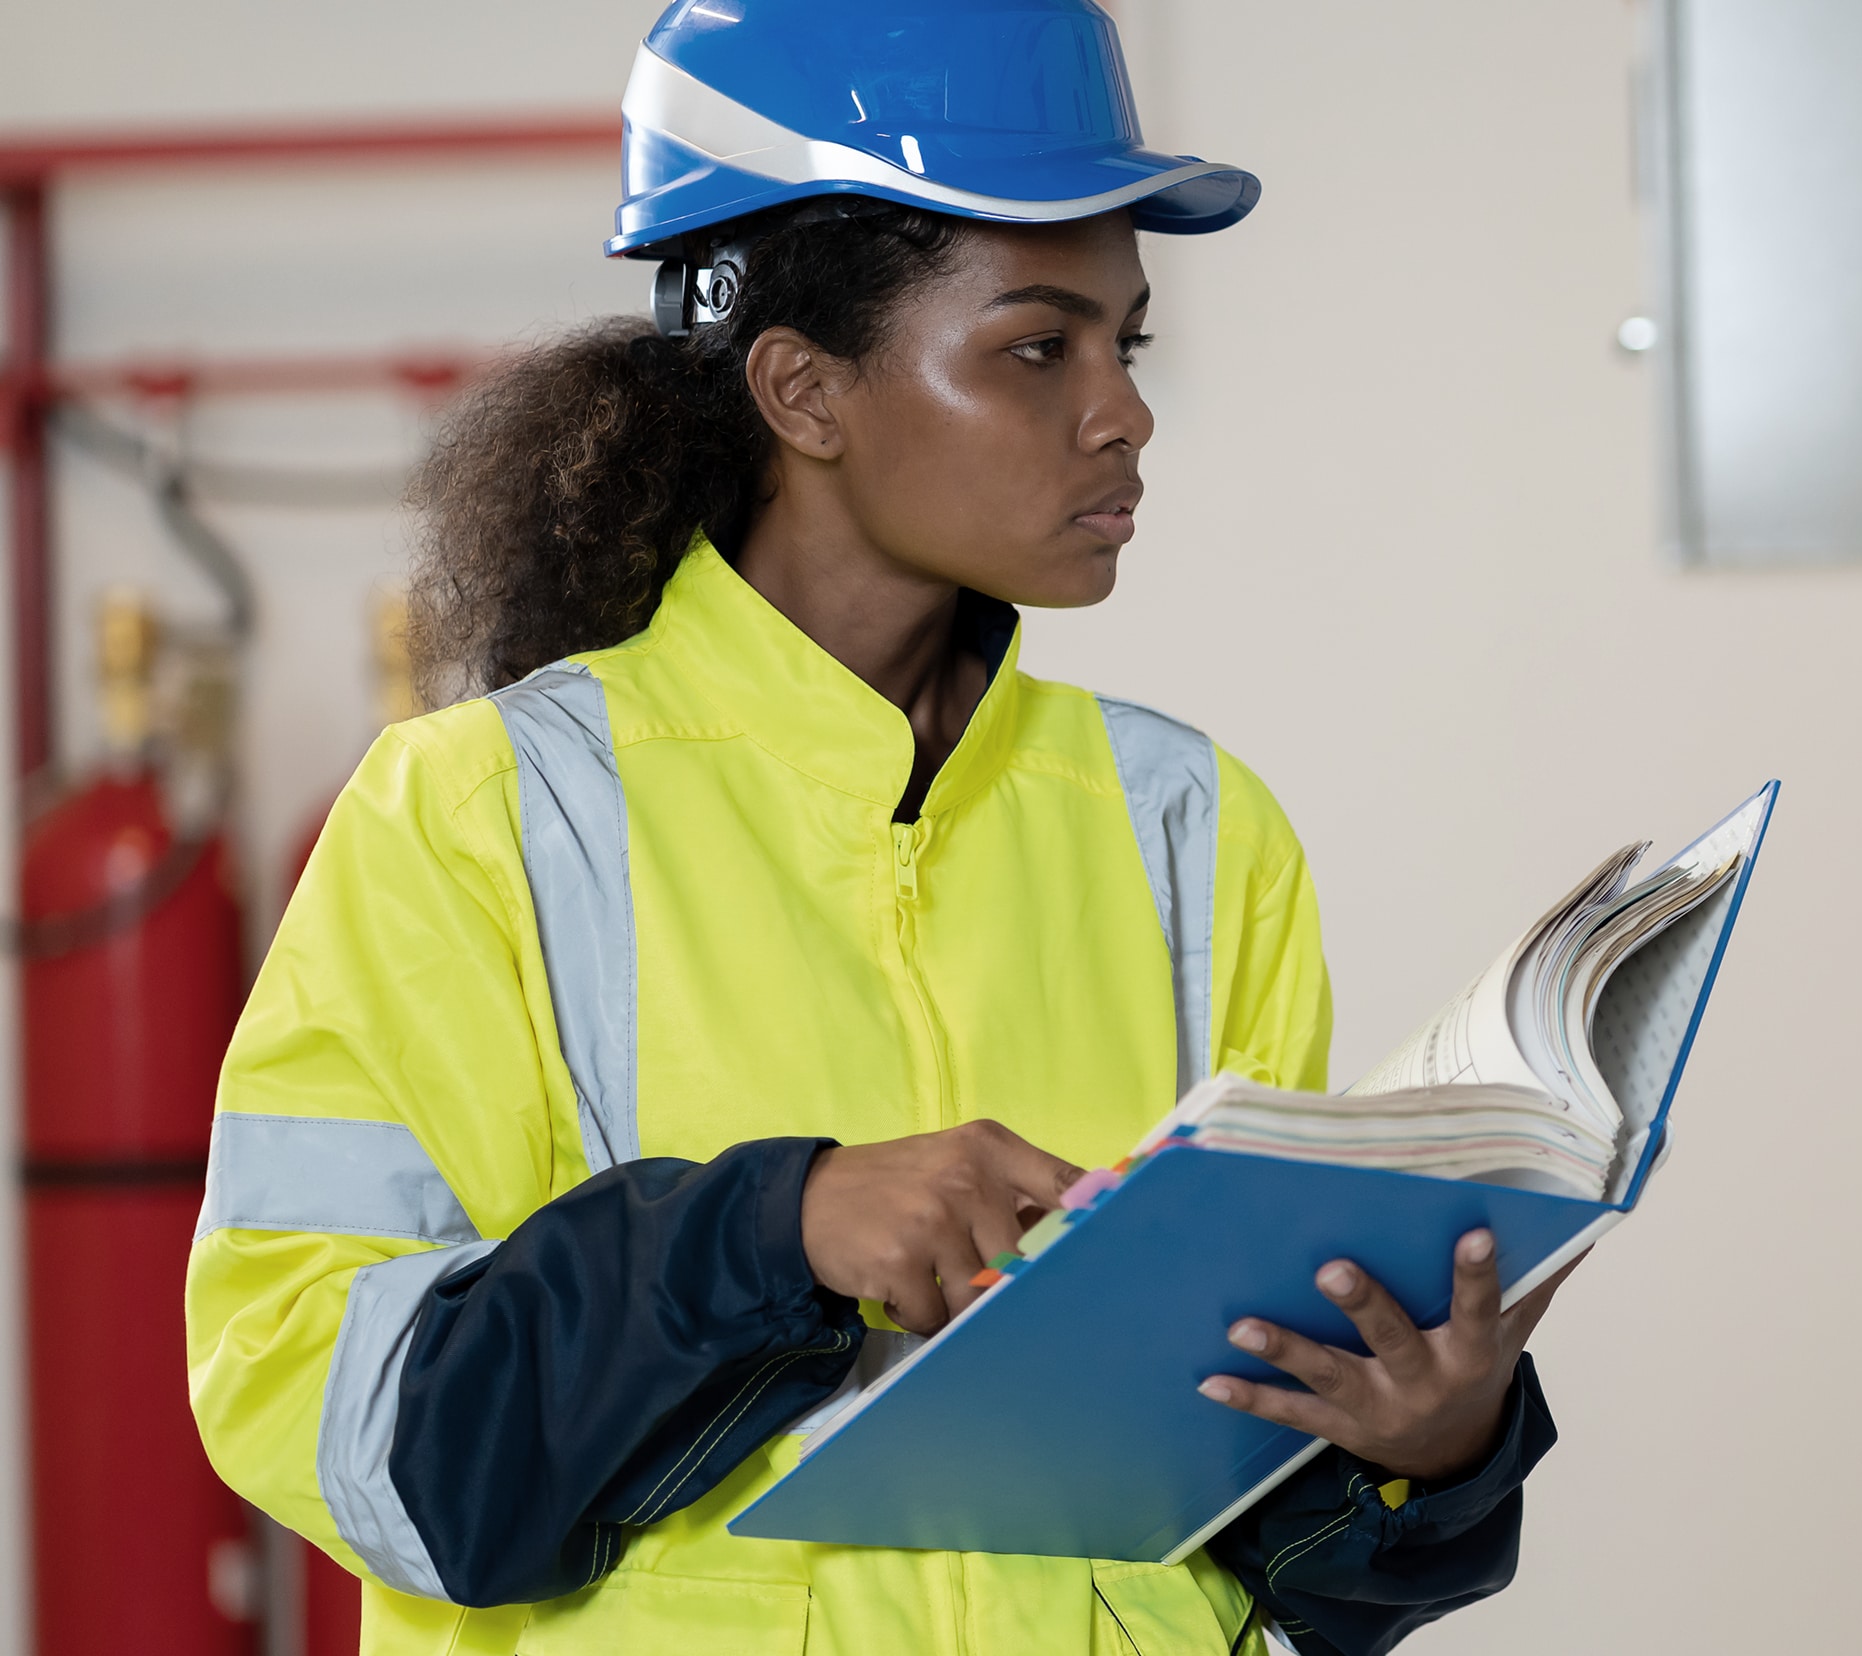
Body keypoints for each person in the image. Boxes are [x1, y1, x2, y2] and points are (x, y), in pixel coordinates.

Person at [184, 5, 1570, 1652]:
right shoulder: (479, 816)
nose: (1123, 412)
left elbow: (1233, 1491)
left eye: (1126, 343)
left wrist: (1419, 1449)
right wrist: (774, 1227)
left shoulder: (1192, 827)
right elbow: (334, 1426)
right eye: (1037, 346)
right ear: (803, 388)